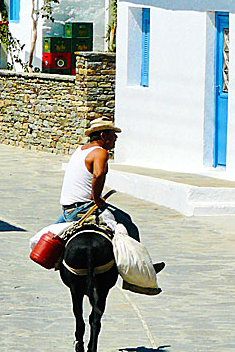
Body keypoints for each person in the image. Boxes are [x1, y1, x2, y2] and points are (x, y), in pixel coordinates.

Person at [58, 117, 164, 274]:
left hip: (67, 210)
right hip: (85, 208)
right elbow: (98, 173)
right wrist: (96, 198)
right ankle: (139, 267)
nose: (116, 139)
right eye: (113, 135)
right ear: (103, 136)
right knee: (128, 223)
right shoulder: (101, 152)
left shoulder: (80, 150)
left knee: (56, 237)